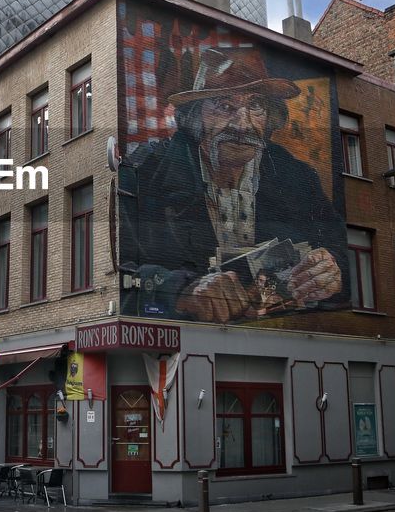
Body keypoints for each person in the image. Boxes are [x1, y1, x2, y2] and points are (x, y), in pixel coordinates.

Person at [122, 48, 345, 323]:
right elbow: (114, 274)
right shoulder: (143, 173)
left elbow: (338, 246)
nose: (243, 124)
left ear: (269, 116)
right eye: (224, 106)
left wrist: (331, 267)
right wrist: (180, 290)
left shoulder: (296, 176)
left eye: (255, 106)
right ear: (195, 117)